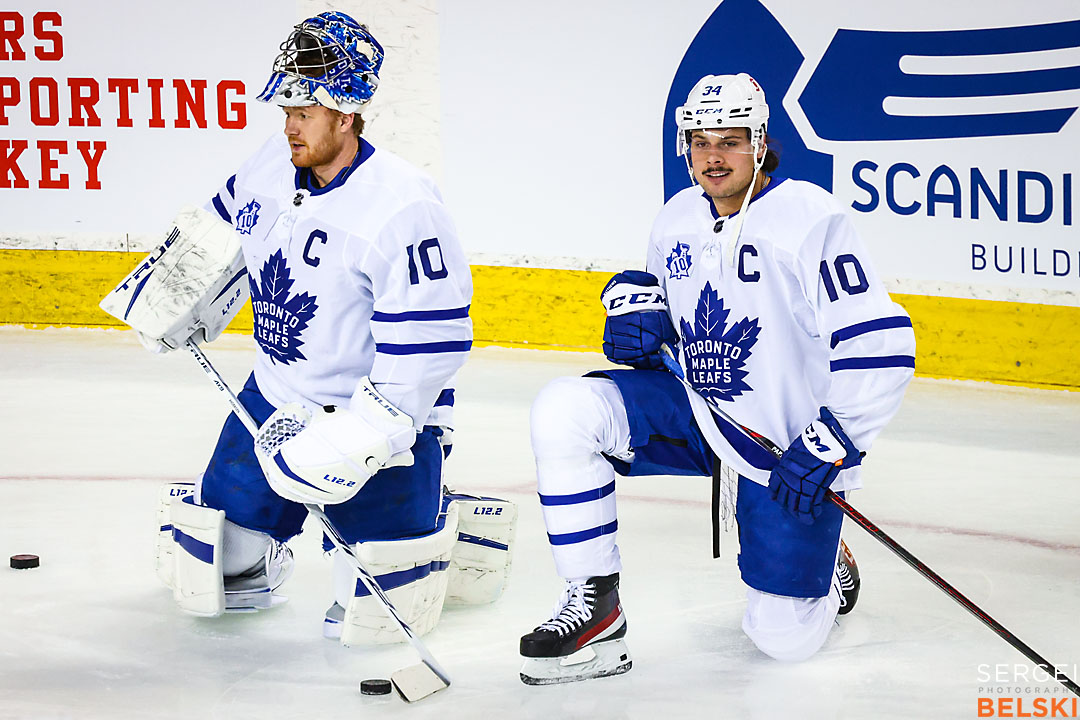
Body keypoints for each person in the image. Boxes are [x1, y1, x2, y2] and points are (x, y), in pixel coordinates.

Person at [518, 73, 916, 684]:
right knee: (565, 408)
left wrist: (836, 437)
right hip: (698, 412)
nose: (712, 156)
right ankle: (595, 605)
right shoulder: (676, 216)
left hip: (783, 444)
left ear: (759, 143)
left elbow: (881, 342)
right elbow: (658, 308)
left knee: (782, 641)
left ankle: (828, 565)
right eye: (699, 141)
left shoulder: (807, 218)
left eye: (729, 141)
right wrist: (629, 306)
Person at [147, 12, 474, 641]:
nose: (289, 124)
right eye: (286, 108)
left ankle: (439, 513)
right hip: (272, 400)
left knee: (378, 607)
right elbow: (226, 230)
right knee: (217, 566)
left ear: (346, 113)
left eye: (304, 110)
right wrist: (178, 292)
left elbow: (433, 343)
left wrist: (368, 430)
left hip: (375, 415)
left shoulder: (404, 204)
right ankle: (267, 543)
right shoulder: (275, 160)